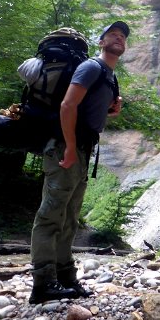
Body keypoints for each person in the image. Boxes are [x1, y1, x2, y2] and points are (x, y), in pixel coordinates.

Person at [29, 20, 128, 304]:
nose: (118, 38)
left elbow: (89, 111)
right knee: (51, 214)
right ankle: (42, 284)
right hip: (65, 146)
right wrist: (70, 146)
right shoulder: (91, 67)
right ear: (101, 42)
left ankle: (65, 278)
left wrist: (111, 110)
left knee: (69, 217)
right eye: (112, 34)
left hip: (82, 149)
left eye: (122, 36)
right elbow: (67, 105)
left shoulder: (109, 76)